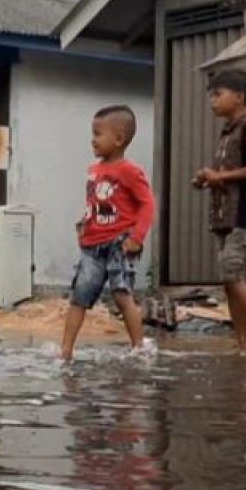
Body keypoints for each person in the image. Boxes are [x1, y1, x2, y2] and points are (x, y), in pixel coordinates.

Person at [60, 105, 156, 363]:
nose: (93, 139)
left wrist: (137, 237)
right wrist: (84, 225)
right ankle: (65, 352)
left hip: (119, 244)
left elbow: (148, 203)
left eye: (98, 133)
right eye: (92, 133)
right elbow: (93, 205)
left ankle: (138, 348)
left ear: (119, 139)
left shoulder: (129, 171)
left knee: (122, 294)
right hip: (92, 246)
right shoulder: (94, 170)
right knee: (79, 296)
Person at [194, 69, 246, 353]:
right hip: (224, 215)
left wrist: (220, 178)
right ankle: (243, 342)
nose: (212, 101)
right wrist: (207, 178)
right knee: (229, 281)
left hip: (243, 214)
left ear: (239, 97)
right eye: (211, 95)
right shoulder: (227, 131)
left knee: (233, 274)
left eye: (218, 94)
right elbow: (228, 171)